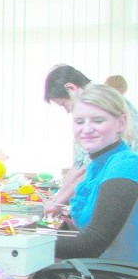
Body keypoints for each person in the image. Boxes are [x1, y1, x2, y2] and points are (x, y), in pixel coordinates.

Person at [55, 84, 138, 261]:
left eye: (98, 121)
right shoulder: (97, 165)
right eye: (79, 122)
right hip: (102, 271)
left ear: (120, 124)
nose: (86, 129)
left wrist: (22, 241)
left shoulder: (124, 165)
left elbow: (92, 244)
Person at [44, 65, 138, 214]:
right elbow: (80, 166)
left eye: (63, 104)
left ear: (71, 88)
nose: (67, 111)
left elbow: (84, 169)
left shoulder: (96, 103)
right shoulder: (104, 100)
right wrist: (57, 199)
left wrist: (57, 203)